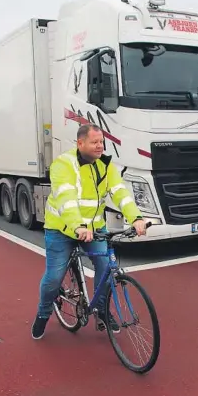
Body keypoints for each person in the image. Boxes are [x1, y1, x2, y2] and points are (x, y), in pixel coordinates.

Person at [32, 123, 147, 339]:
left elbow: (120, 193)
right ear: (80, 143)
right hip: (62, 229)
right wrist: (77, 225)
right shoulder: (64, 165)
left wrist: (136, 218)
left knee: (105, 267)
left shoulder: (105, 165)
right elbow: (66, 199)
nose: (99, 146)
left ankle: (101, 311)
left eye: (101, 142)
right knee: (55, 276)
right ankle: (43, 312)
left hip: (94, 229)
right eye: (94, 142)